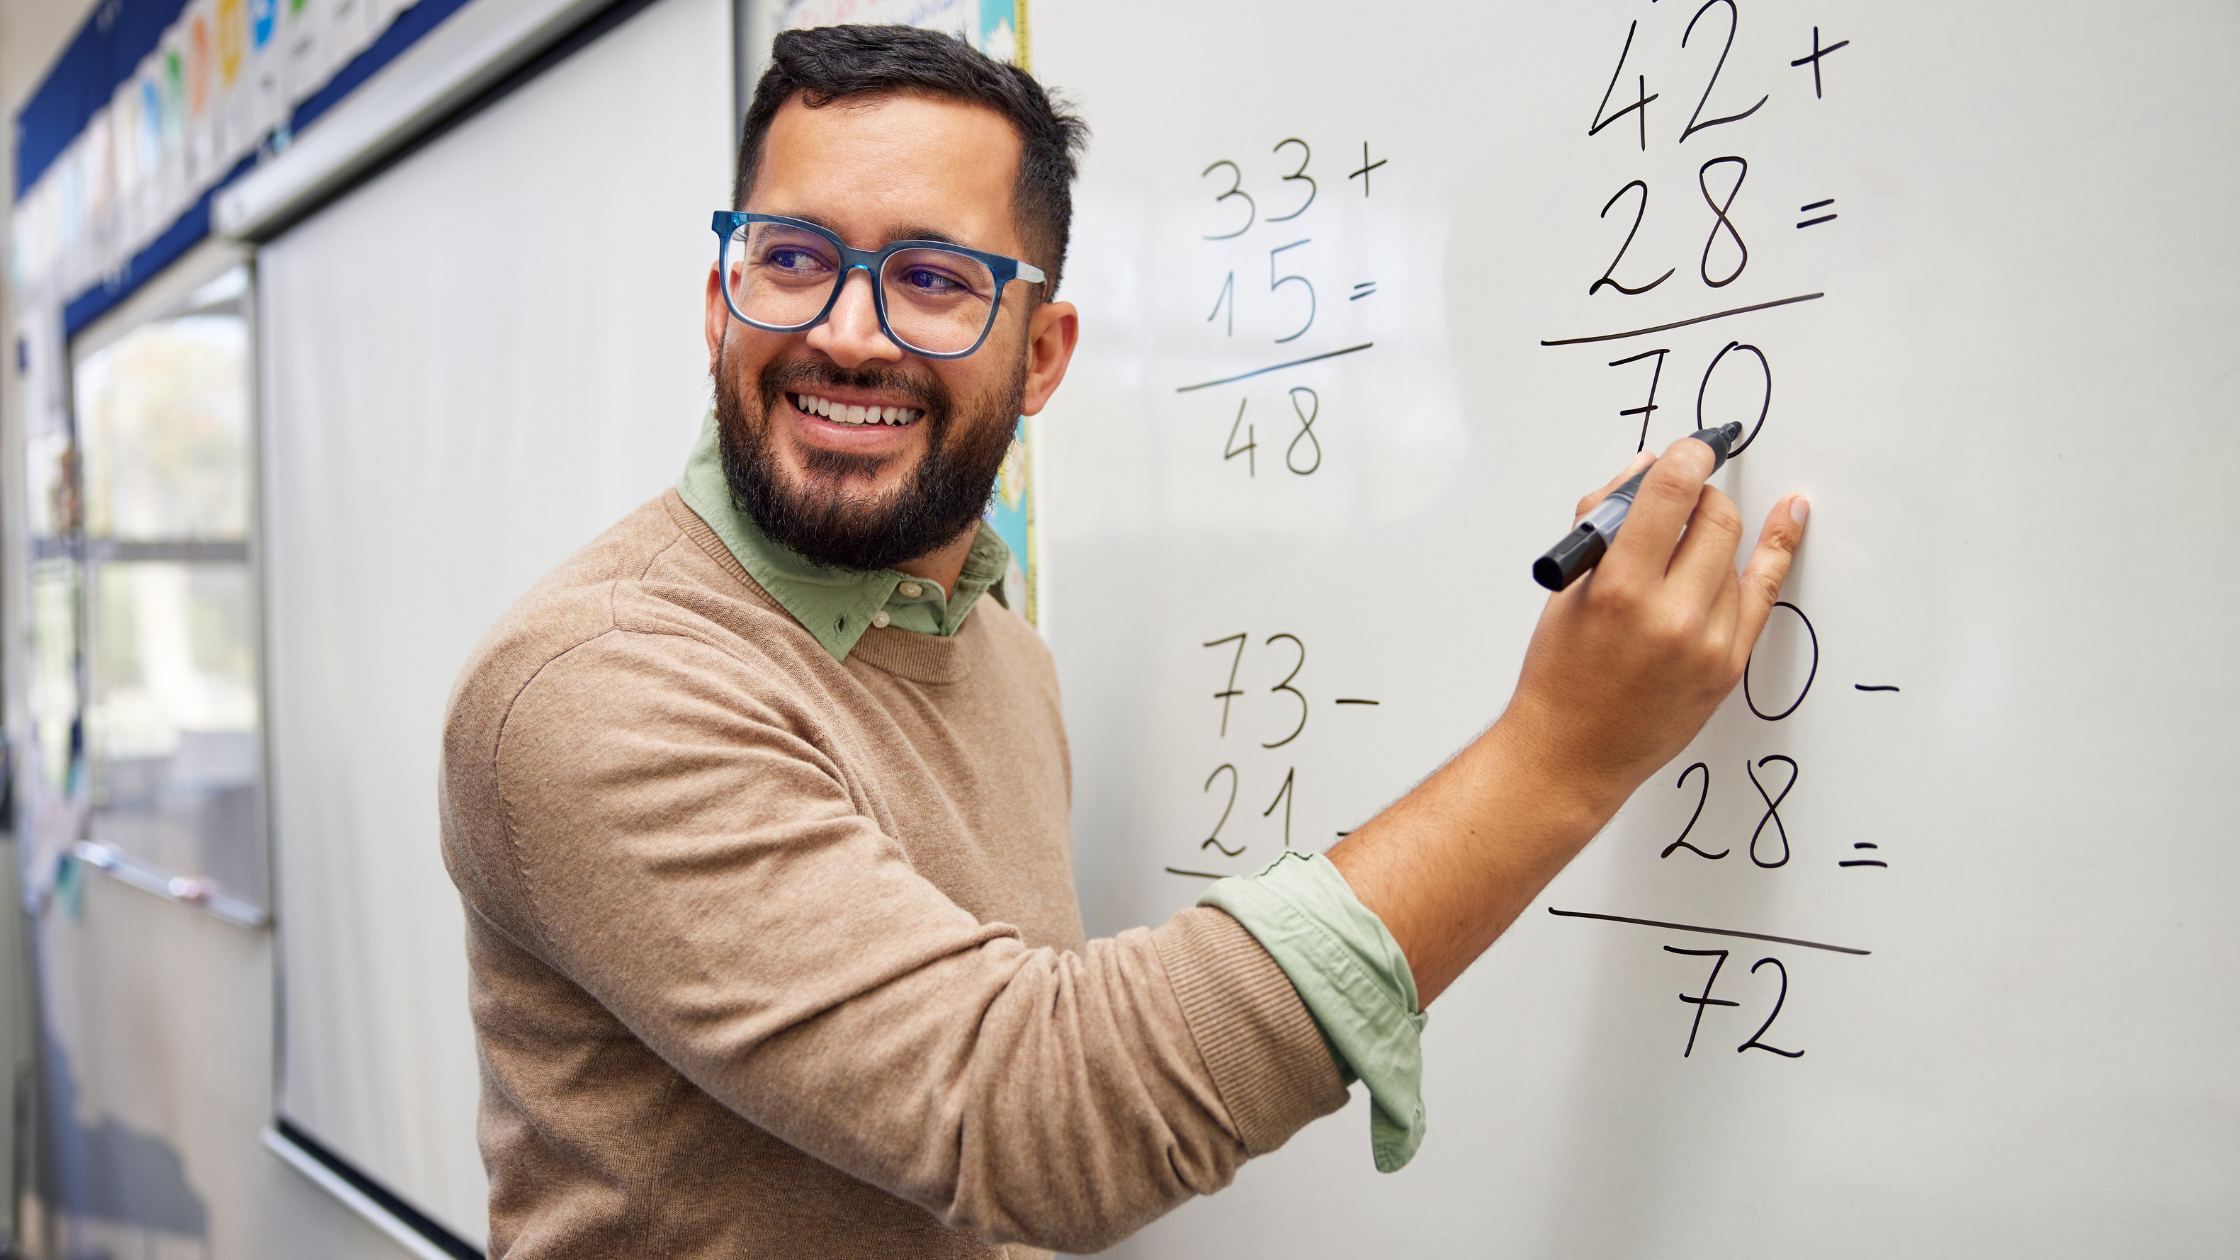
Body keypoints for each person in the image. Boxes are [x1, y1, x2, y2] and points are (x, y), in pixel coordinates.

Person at [439, 23, 1808, 1259]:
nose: (846, 333)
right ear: (719, 301)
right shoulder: (596, 684)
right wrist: (1562, 751)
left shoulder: (997, 654)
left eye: (931, 278)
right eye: (792, 260)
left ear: (1042, 354)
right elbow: (1034, 1116)